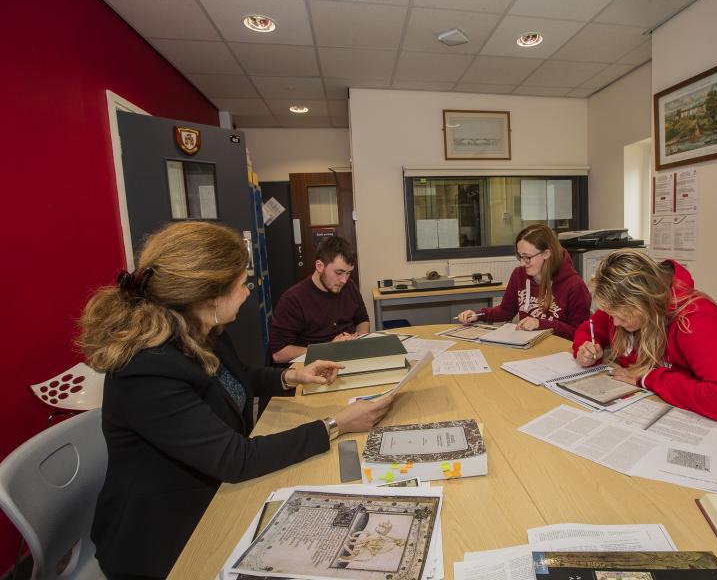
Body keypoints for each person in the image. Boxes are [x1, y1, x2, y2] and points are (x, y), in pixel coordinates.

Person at [78, 221, 393, 580]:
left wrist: (292, 375)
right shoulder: (147, 368)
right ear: (210, 294)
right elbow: (235, 458)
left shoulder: (199, 328)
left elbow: (237, 377)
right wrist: (337, 423)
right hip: (165, 532)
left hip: (214, 492)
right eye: (241, 284)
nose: (247, 293)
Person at [571, 249, 717, 428]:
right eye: (611, 314)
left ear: (643, 303)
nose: (616, 322)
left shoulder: (697, 319)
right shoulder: (622, 307)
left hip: (715, 429)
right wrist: (586, 347)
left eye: (622, 315)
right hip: (656, 409)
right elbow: (590, 329)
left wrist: (649, 377)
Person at [458, 224, 590, 340]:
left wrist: (541, 324)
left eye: (527, 257)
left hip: (558, 353)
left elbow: (580, 333)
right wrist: (478, 314)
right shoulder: (519, 274)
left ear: (546, 254)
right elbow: (506, 311)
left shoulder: (574, 285)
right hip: (526, 347)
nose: (522, 263)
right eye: (520, 256)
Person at [270, 236, 369, 363]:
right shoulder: (293, 299)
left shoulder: (350, 287)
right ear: (319, 266)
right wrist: (327, 349)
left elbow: (363, 320)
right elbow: (278, 353)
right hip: (313, 364)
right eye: (339, 273)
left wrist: (358, 339)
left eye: (348, 273)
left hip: (348, 358)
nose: (344, 280)